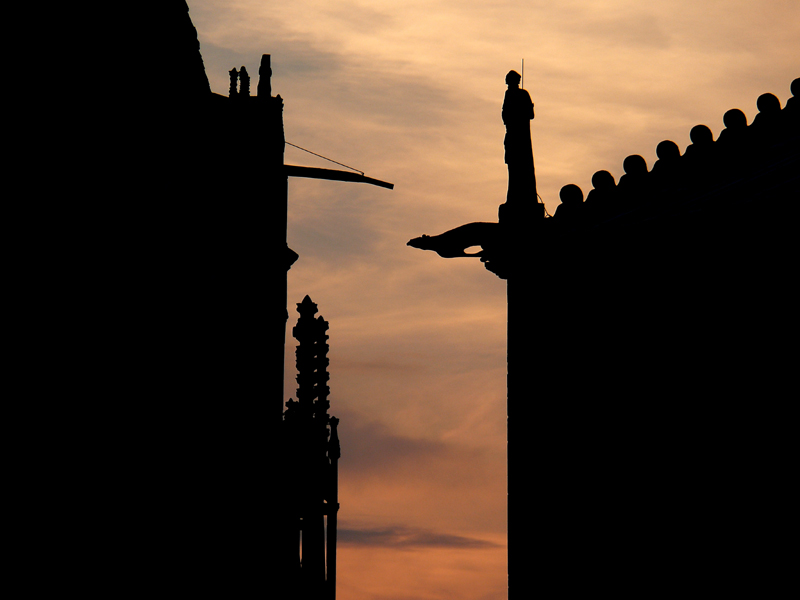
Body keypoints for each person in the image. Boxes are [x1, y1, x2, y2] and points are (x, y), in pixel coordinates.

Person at [502, 70, 536, 204]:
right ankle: (515, 198)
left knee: (519, 166)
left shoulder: (519, 94)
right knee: (516, 166)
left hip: (519, 136)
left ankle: (520, 199)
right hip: (514, 135)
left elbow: (529, 115)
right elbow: (505, 114)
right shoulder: (514, 94)